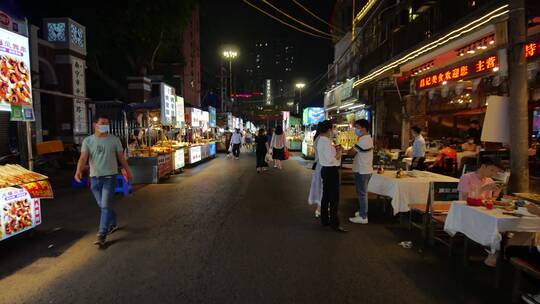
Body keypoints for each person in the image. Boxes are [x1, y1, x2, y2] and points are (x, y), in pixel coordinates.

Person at [74, 115, 133, 246]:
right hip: (94, 179)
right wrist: (78, 170)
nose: (105, 125)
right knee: (102, 205)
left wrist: (128, 171)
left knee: (105, 205)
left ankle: (102, 234)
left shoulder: (114, 140)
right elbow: (83, 158)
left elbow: (121, 158)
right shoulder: (88, 141)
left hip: (109, 177)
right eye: (103, 123)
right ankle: (113, 222)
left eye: (107, 123)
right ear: (95, 125)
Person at [458, 157, 502, 267]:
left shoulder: (489, 181)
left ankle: (494, 251)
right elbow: (465, 200)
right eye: (492, 170)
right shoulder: (466, 177)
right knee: (493, 226)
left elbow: (489, 201)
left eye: (496, 172)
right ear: (483, 166)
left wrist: (496, 194)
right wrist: (483, 189)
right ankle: (493, 252)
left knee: (498, 226)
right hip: (468, 213)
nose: (493, 174)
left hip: (483, 213)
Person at [316, 120, 346, 232]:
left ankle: (325, 220)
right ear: (329, 130)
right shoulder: (325, 141)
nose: (333, 131)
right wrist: (340, 152)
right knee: (333, 198)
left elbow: (327, 155)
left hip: (325, 170)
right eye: (333, 128)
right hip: (331, 170)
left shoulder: (321, 140)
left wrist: (335, 150)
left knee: (326, 196)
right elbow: (331, 159)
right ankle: (335, 223)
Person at [348, 119, 374, 224]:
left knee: (362, 193)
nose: (356, 129)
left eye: (357, 127)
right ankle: (362, 211)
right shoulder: (365, 139)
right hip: (363, 169)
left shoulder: (364, 140)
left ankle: (363, 217)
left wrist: (349, 149)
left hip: (363, 170)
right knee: (361, 193)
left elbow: (351, 153)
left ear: (363, 129)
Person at [308, 123, 323, 218]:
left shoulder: (317, 138)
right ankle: (319, 208)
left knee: (320, 187)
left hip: (319, 166)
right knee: (323, 187)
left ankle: (320, 208)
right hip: (323, 166)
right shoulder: (322, 139)